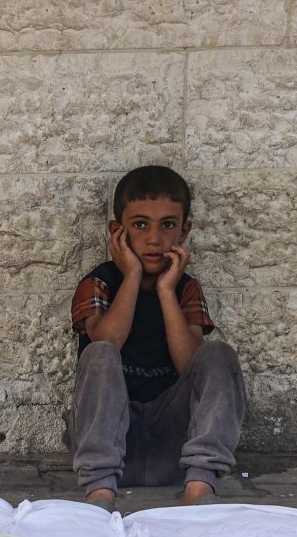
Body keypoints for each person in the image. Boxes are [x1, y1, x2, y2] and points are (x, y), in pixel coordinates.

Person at [69, 165, 245, 510]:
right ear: (117, 231)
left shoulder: (185, 288)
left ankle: (198, 488)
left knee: (219, 354)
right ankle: (100, 493)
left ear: (184, 232)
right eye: (139, 225)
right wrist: (132, 274)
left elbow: (189, 364)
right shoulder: (99, 283)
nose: (153, 238)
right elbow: (107, 341)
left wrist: (166, 289)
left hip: (174, 447)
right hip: (114, 443)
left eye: (167, 225)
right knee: (100, 353)